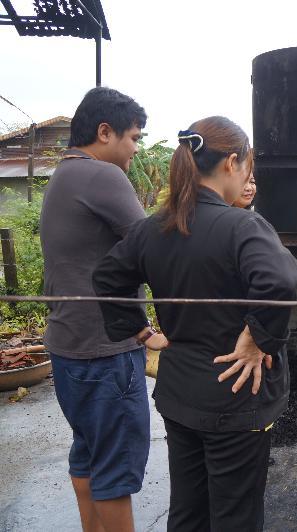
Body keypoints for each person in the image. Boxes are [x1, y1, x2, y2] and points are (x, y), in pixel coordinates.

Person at [92, 116, 297, 531]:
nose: (248, 175)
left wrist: (140, 330)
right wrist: (255, 340)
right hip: (237, 394)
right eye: (248, 166)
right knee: (236, 516)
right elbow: (280, 280)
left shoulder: (154, 228)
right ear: (232, 163)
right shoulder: (243, 225)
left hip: (180, 393)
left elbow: (106, 277)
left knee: (188, 512)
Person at [40, 87, 168, 532]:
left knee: (89, 456)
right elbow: (155, 248)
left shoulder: (64, 174)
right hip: (106, 349)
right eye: (133, 137)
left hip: (68, 345)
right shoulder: (101, 176)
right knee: (114, 472)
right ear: (104, 131)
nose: (136, 148)